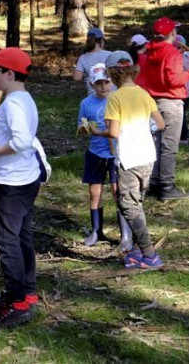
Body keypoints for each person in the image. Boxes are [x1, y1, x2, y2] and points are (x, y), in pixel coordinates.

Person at [0, 47, 47, 330]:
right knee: (21, 235)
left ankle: (18, 302)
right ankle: (27, 291)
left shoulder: (13, 104)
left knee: (7, 240)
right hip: (24, 178)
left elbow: (20, 141)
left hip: (15, 182)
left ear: (9, 74)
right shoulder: (23, 99)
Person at [103, 50, 166, 270]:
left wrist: (93, 132)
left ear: (112, 73)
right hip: (147, 156)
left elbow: (113, 132)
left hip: (129, 158)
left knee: (128, 205)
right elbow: (159, 124)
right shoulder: (143, 93)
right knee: (137, 202)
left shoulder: (115, 97)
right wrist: (141, 129)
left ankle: (150, 255)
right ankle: (139, 251)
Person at [137, 17, 189, 201]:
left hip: (152, 101)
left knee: (156, 143)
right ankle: (167, 186)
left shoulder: (149, 49)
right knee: (169, 146)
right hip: (171, 101)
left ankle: (154, 181)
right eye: (174, 30)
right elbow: (174, 80)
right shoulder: (172, 53)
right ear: (172, 33)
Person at [76, 63, 123, 248]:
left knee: (116, 191)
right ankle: (97, 230)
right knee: (94, 192)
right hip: (95, 153)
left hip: (115, 154)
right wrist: (84, 128)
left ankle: (124, 232)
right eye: (99, 83)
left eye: (106, 82)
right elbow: (81, 124)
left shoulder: (116, 99)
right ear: (91, 84)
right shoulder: (86, 103)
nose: (103, 86)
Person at [73, 28, 111, 96]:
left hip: (93, 94)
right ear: (101, 41)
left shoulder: (83, 58)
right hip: (110, 94)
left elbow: (77, 77)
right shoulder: (111, 55)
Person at [176, 35, 189, 145]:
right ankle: (182, 136)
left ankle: (183, 137)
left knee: (181, 114)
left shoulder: (180, 59)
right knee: (182, 113)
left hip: (183, 90)